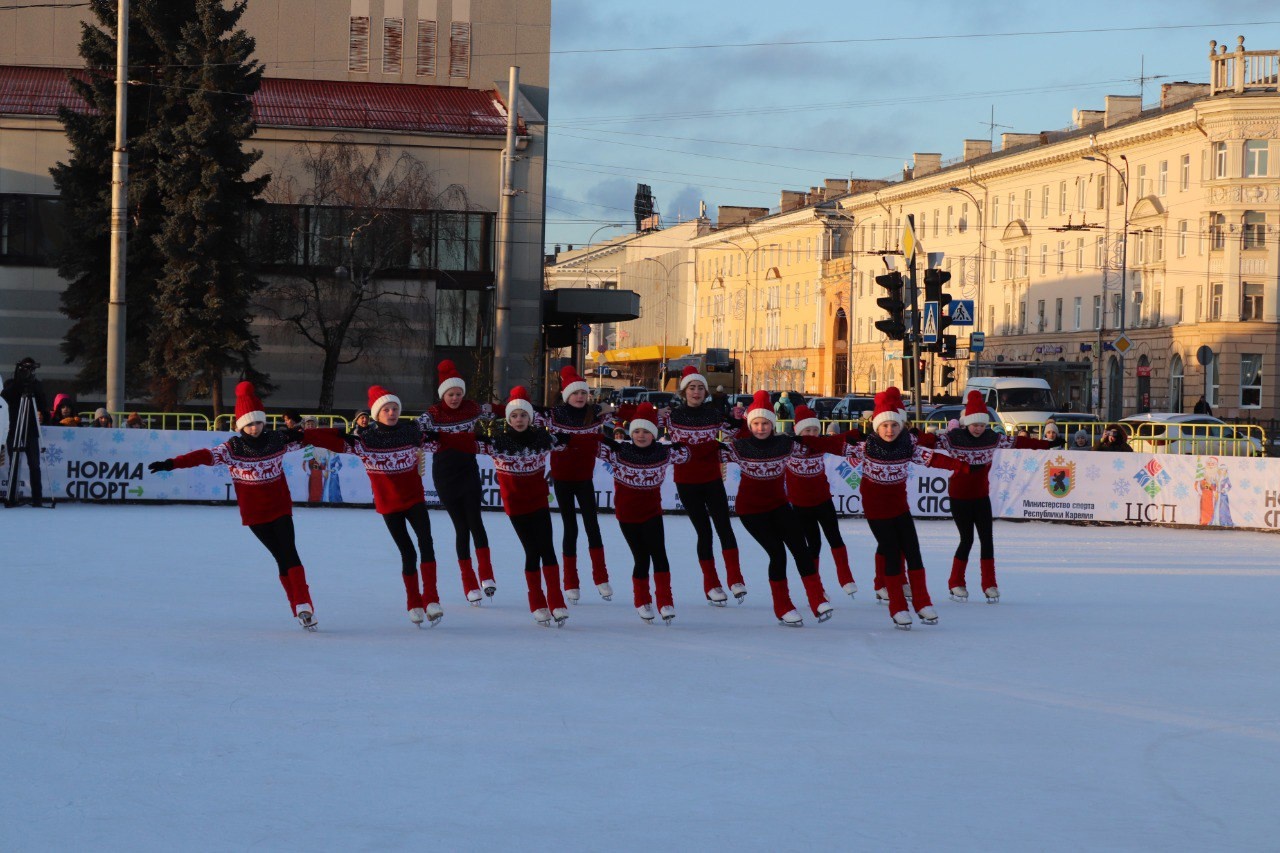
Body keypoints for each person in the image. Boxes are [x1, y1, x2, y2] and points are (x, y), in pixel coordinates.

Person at [147, 382, 318, 630]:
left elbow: (310, 438)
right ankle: (298, 606)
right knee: (280, 556)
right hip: (255, 514)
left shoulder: (278, 440)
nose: (255, 428)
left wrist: (333, 436)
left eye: (258, 422)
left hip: (280, 506)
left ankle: (303, 605)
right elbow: (203, 456)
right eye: (249, 423)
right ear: (240, 425)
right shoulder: (232, 448)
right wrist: (172, 463)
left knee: (289, 552)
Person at [802, 387, 967, 630]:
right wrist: (803, 439)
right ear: (876, 427)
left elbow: (933, 458)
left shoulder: (908, 446)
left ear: (901, 426)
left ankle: (922, 602)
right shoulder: (866, 447)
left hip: (899, 506)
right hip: (876, 508)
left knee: (913, 550)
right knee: (891, 551)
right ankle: (898, 606)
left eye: (894, 426)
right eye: (884, 426)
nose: (889, 430)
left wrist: (961, 467)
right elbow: (831, 445)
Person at [307, 385, 444, 627]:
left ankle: (431, 599)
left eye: (395, 409)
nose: (391, 413)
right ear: (376, 414)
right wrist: (304, 434)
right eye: (386, 410)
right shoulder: (366, 439)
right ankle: (414, 602)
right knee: (408, 552)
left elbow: (443, 439)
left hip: (414, 499)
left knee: (427, 543)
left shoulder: (411, 433)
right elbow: (335, 441)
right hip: (389, 505)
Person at [722, 390, 835, 627]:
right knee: (777, 553)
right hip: (751, 511)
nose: (761, 428)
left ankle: (816, 599)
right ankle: (783, 606)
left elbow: (814, 444)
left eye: (765, 423)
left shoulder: (785, 444)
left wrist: (854, 440)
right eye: (756, 423)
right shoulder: (739, 447)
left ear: (772, 424)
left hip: (779, 505)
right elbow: (706, 454)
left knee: (800, 549)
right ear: (750, 424)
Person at [928, 391, 1052, 604]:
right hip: (959, 497)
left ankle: (989, 584)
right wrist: (909, 435)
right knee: (966, 539)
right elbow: (930, 441)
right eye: (974, 424)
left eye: (982, 425)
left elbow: (1018, 443)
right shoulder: (953, 438)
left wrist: (1047, 444)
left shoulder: (992, 438)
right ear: (966, 423)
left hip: (981, 497)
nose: (978, 428)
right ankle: (956, 582)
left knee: (987, 540)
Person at [475, 386, 571, 627]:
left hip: (538, 501)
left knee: (547, 549)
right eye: (515, 416)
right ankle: (537, 603)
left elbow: (569, 436)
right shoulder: (497, 443)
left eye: (524, 415)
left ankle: (557, 601)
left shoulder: (543, 439)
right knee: (532, 551)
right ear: (508, 418)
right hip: (516, 506)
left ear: (531, 418)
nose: (519, 420)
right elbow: (464, 441)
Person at [655, 364, 743, 605]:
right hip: (686, 482)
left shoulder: (714, 414)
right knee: (704, 532)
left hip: (712, 479)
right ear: (684, 392)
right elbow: (637, 419)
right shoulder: (672, 416)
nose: (696, 392)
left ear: (706, 392)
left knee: (724, 527)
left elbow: (738, 432)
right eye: (692, 388)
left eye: (700, 388)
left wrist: (744, 418)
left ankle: (735, 579)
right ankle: (712, 584)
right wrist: (650, 412)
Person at [596, 402, 690, 624]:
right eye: (636, 430)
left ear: (654, 434)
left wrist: (673, 418)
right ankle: (642, 600)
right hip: (627, 515)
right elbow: (591, 440)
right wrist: (605, 414)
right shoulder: (619, 451)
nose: (640, 435)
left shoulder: (664, 452)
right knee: (641, 558)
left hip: (652, 513)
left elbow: (687, 450)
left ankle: (665, 601)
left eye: (646, 431)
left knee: (659, 555)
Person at [423, 359, 494, 604]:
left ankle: (487, 574)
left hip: (468, 471)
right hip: (445, 474)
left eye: (459, 394)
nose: (455, 398)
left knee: (476, 522)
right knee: (461, 528)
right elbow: (413, 430)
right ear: (443, 394)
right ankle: (469, 582)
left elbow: (499, 409)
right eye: (451, 394)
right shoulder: (434, 413)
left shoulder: (472, 408)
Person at [539, 365, 611, 602]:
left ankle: (601, 578)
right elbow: (525, 411)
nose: (580, 397)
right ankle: (570, 581)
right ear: (566, 395)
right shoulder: (555, 414)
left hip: (584, 479)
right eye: (575, 393)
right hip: (562, 480)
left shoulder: (595, 413)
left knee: (593, 526)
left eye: (583, 393)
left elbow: (624, 413)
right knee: (571, 529)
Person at [784, 404, 858, 597]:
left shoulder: (821, 444)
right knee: (813, 545)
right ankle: (816, 587)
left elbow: (841, 442)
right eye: (807, 430)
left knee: (835, 537)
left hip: (823, 501)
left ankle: (846, 576)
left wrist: (857, 435)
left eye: (815, 430)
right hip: (801, 506)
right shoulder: (790, 447)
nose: (811, 434)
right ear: (798, 431)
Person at [2, 357, 48, 508]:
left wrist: (42, 414)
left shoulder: (36, 385)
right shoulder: (13, 384)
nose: (27, 372)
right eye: (24, 369)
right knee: (14, 464)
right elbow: (5, 397)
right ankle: (11, 496)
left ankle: (37, 499)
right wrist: (18, 380)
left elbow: (43, 407)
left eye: (29, 369)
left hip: (31, 431)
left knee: (34, 465)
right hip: (14, 429)